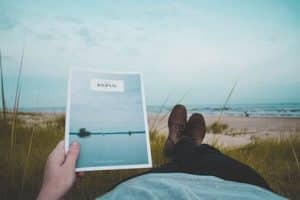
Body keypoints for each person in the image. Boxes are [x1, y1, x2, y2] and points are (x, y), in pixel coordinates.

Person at [37, 105, 285, 200]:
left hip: (150, 189)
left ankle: (179, 145)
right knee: (213, 159)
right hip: (246, 191)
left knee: (185, 166)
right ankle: (187, 145)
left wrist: (50, 192)